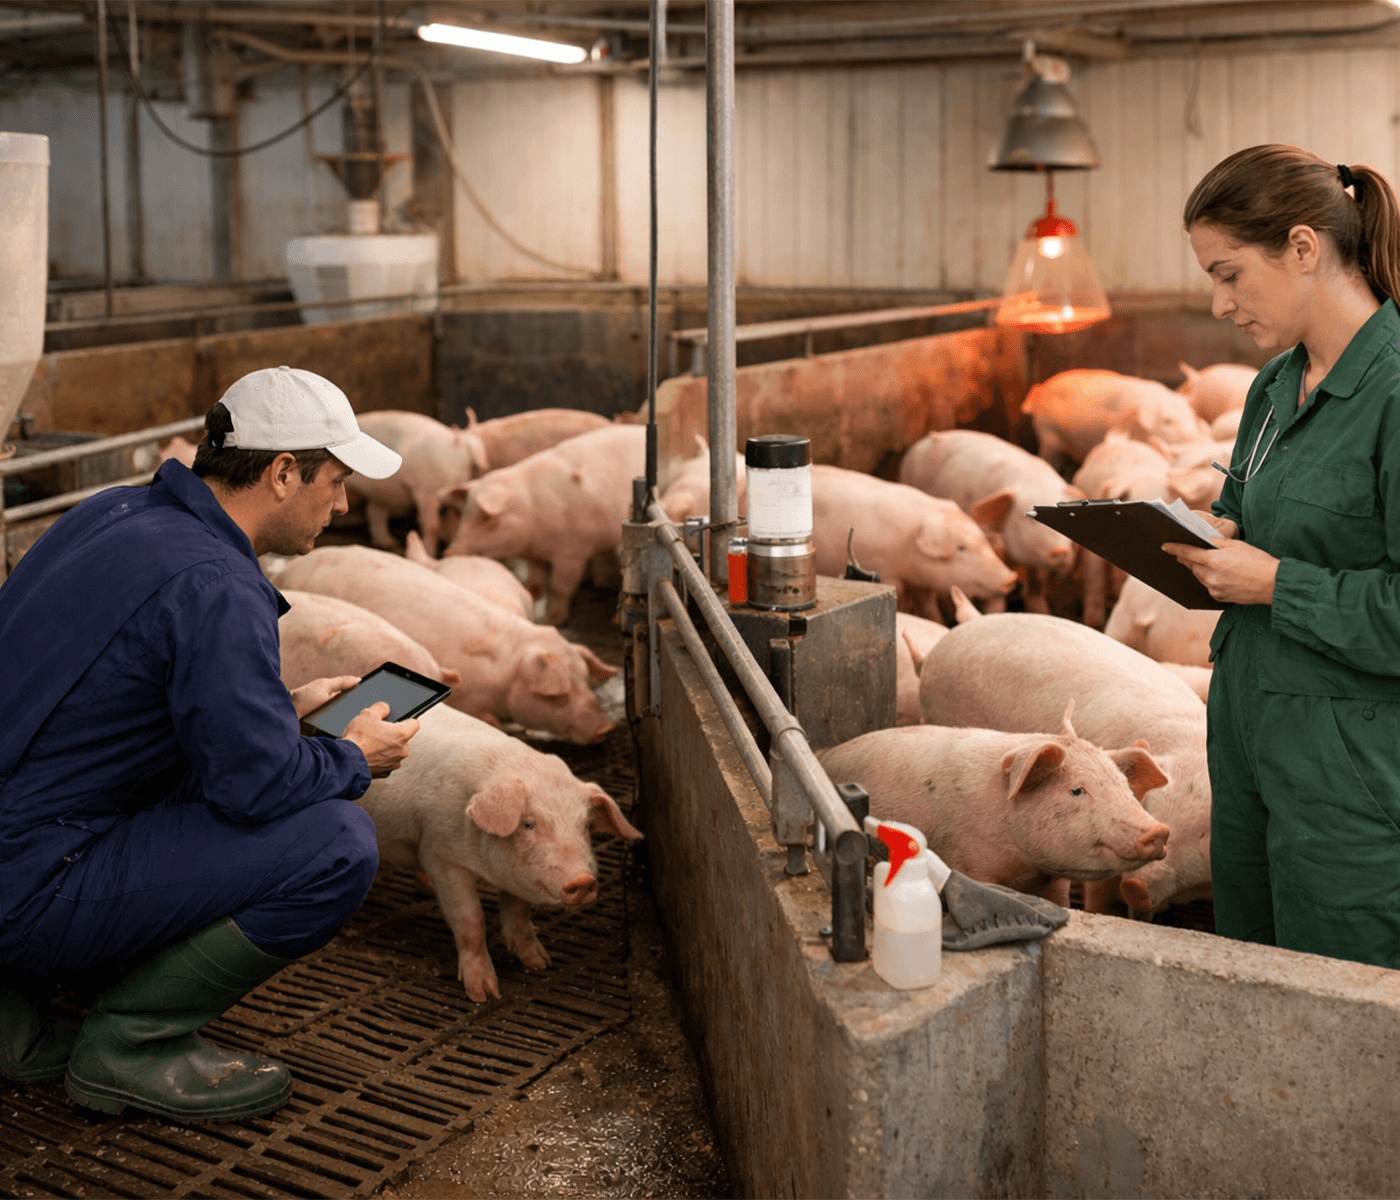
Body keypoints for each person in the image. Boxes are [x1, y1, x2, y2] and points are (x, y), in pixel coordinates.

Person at [0, 366, 420, 1121]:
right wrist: (353, 755)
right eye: (337, 479)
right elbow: (254, 788)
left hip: (14, 836)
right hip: (31, 885)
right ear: (285, 473)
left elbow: (104, 702)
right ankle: (129, 1047)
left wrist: (276, 711)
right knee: (338, 842)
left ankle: (12, 1022)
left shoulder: (114, 514)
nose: (345, 502)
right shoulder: (217, 583)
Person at [1164, 145, 1400, 968]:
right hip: (1247, 741)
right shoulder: (1272, 386)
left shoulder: (1395, 392)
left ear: (1303, 249)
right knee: (1251, 975)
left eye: (1229, 274)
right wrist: (1218, 536)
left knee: (1346, 1010)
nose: (1220, 304)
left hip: (1353, 782)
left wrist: (1276, 585)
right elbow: (1247, 511)